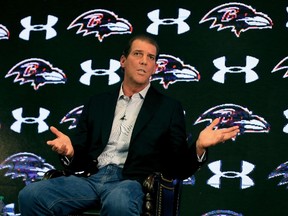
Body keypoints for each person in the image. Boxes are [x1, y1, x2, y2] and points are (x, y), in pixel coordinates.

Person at [18, 34, 240, 216]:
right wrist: (70, 151)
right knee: (30, 195)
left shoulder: (169, 108)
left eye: (151, 57)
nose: (144, 61)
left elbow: (177, 167)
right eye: (138, 54)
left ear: (154, 67)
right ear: (123, 61)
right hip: (92, 179)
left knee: (119, 201)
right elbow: (81, 157)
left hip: (130, 181)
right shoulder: (97, 103)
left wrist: (199, 147)